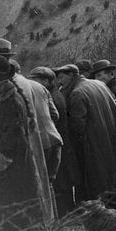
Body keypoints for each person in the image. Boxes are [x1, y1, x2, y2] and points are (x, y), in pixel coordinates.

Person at [0, 55, 55, 231]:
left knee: (14, 213)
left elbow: (13, 138)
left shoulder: (9, 100)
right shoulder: (3, 96)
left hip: (12, 168)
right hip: (11, 168)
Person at [56, 62, 116, 204]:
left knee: (98, 175)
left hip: (95, 140)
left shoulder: (77, 92)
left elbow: (78, 125)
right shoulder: (98, 84)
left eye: (61, 77)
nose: (59, 82)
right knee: (112, 172)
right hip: (110, 134)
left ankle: (103, 205)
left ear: (72, 75)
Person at [29, 65, 76, 216]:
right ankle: (65, 211)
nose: (34, 84)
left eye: (37, 80)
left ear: (47, 81)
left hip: (52, 141)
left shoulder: (51, 96)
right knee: (60, 180)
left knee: (58, 182)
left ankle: (61, 214)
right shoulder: (55, 94)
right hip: (58, 140)